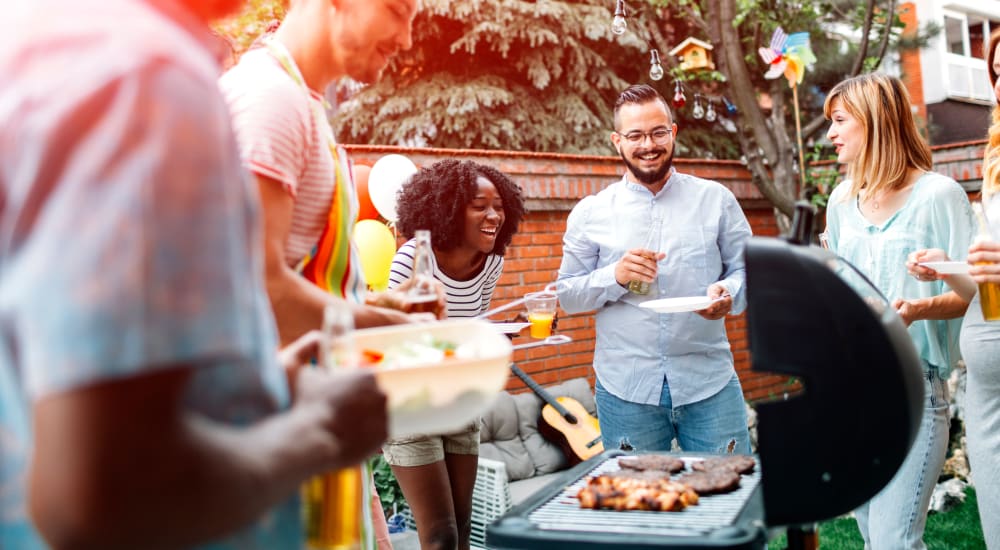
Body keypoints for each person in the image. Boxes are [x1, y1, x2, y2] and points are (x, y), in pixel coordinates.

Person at [0, 0, 388, 549]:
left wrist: (254, 385)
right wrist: (321, 434)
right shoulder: (149, 75)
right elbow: (104, 489)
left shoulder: (47, 39)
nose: (406, 33)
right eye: (397, 8)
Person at [217, 1, 436, 547]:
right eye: (397, 10)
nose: (408, 38)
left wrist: (383, 304)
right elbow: (257, 290)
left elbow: (299, 277)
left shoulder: (300, 103)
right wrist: (382, 324)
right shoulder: (270, 102)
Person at [556, 84, 753, 455]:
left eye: (658, 132)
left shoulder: (716, 200)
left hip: (708, 382)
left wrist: (728, 292)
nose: (648, 144)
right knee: (639, 507)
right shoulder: (590, 212)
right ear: (617, 141)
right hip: (626, 390)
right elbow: (567, 296)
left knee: (729, 500)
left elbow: (750, 269)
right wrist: (612, 276)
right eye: (635, 135)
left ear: (673, 132)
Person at [823, 72, 975, 550]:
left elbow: (977, 295)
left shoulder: (939, 195)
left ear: (875, 122)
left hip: (913, 389)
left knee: (894, 541)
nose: (830, 133)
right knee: (872, 536)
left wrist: (919, 307)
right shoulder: (841, 201)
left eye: (840, 120)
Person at [384, 159, 525, 550]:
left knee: (463, 528)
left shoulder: (491, 262)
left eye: (498, 206)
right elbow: (393, 340)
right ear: (447, 209)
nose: (493, 215)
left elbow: (475, 325)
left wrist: (504, 334)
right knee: (440, 535)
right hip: (411, 404)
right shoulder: (414, 258)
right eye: (480, 205)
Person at [906, 29, 1000, 550]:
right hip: (987, 389)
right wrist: (950, 267)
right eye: (998, 74)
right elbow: (986, 287)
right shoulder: (994, 163)